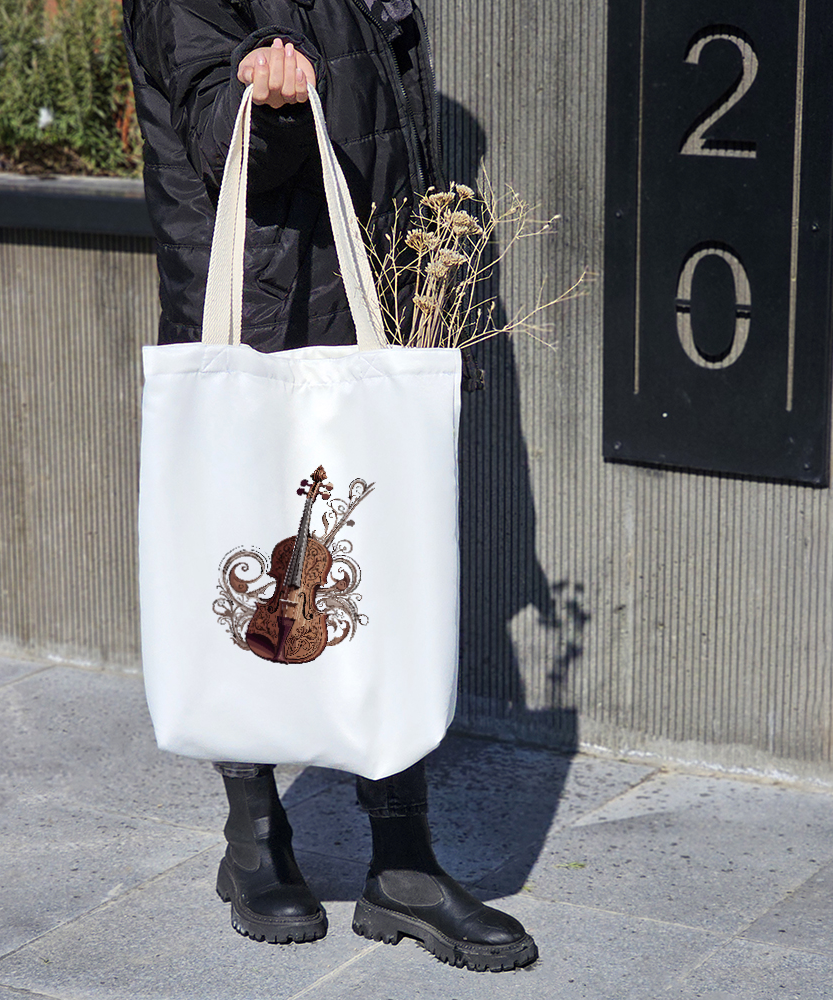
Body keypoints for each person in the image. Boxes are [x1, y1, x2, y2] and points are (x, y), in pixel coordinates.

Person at [121, 0, 536, 973]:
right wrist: (263, 106)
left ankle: (404, 861)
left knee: (380, 569)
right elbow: (216, 134)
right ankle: (255, 837)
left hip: (361, 298)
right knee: (249, 569)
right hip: (259, 301)